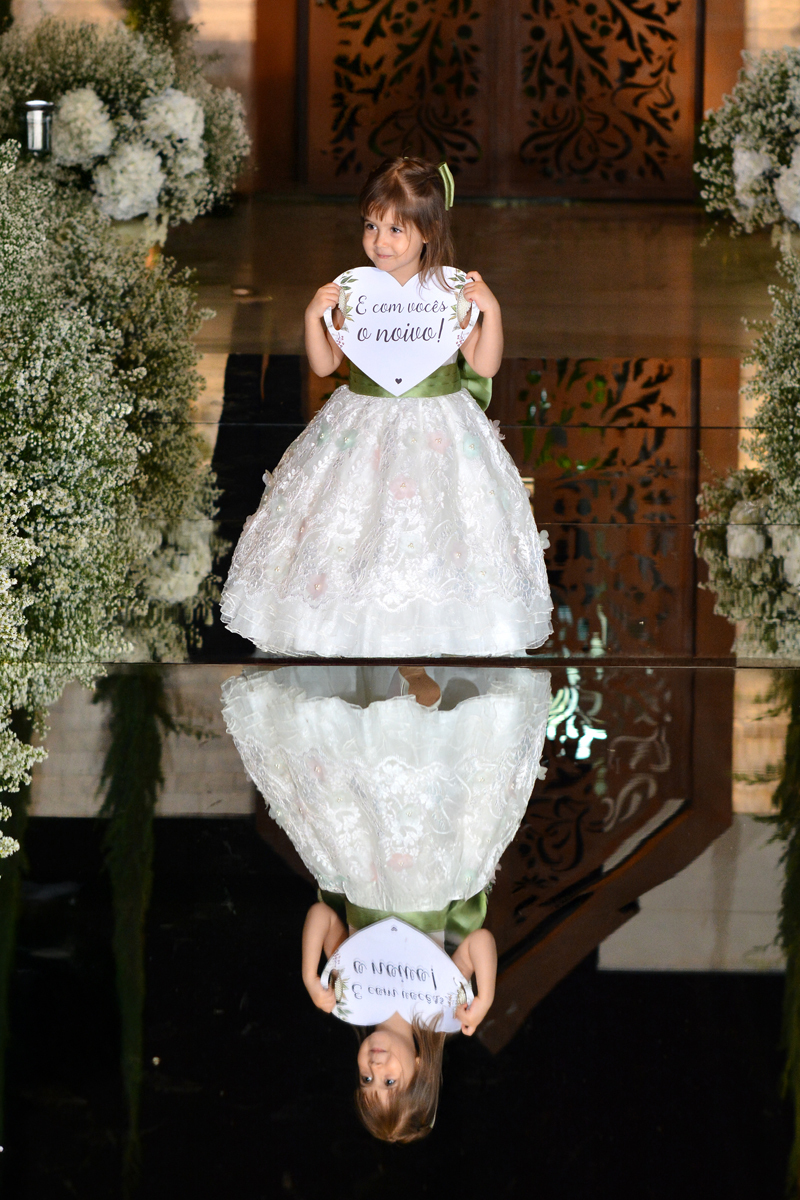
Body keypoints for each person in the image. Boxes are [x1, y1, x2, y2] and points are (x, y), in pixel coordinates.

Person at [220, 156, 553, 657]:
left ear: (428, 231)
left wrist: (491, 311)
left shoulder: (448, 293)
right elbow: (326, 362)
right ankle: (347, 619)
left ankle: (427, 627)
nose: (380, 241)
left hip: (438, 424)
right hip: (362, 421)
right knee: (355, 517)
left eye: (396, 229)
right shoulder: (356, 290)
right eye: (372, 226)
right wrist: (316, 316)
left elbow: (483, 366)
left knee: (428, 521)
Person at [221, 664, 552, 1140]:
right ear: (420, 1070)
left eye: (366, 1080)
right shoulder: (441, 1008)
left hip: (367, 870)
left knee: (365, 786)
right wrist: (485, 995)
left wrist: (312, 977)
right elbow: (478, 939)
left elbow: (319, 914)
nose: (375, 1069)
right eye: (390, 1082)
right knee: (419, 794)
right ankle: (422, 703)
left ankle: (395, 699)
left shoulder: (350, 997)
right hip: (424, 878)